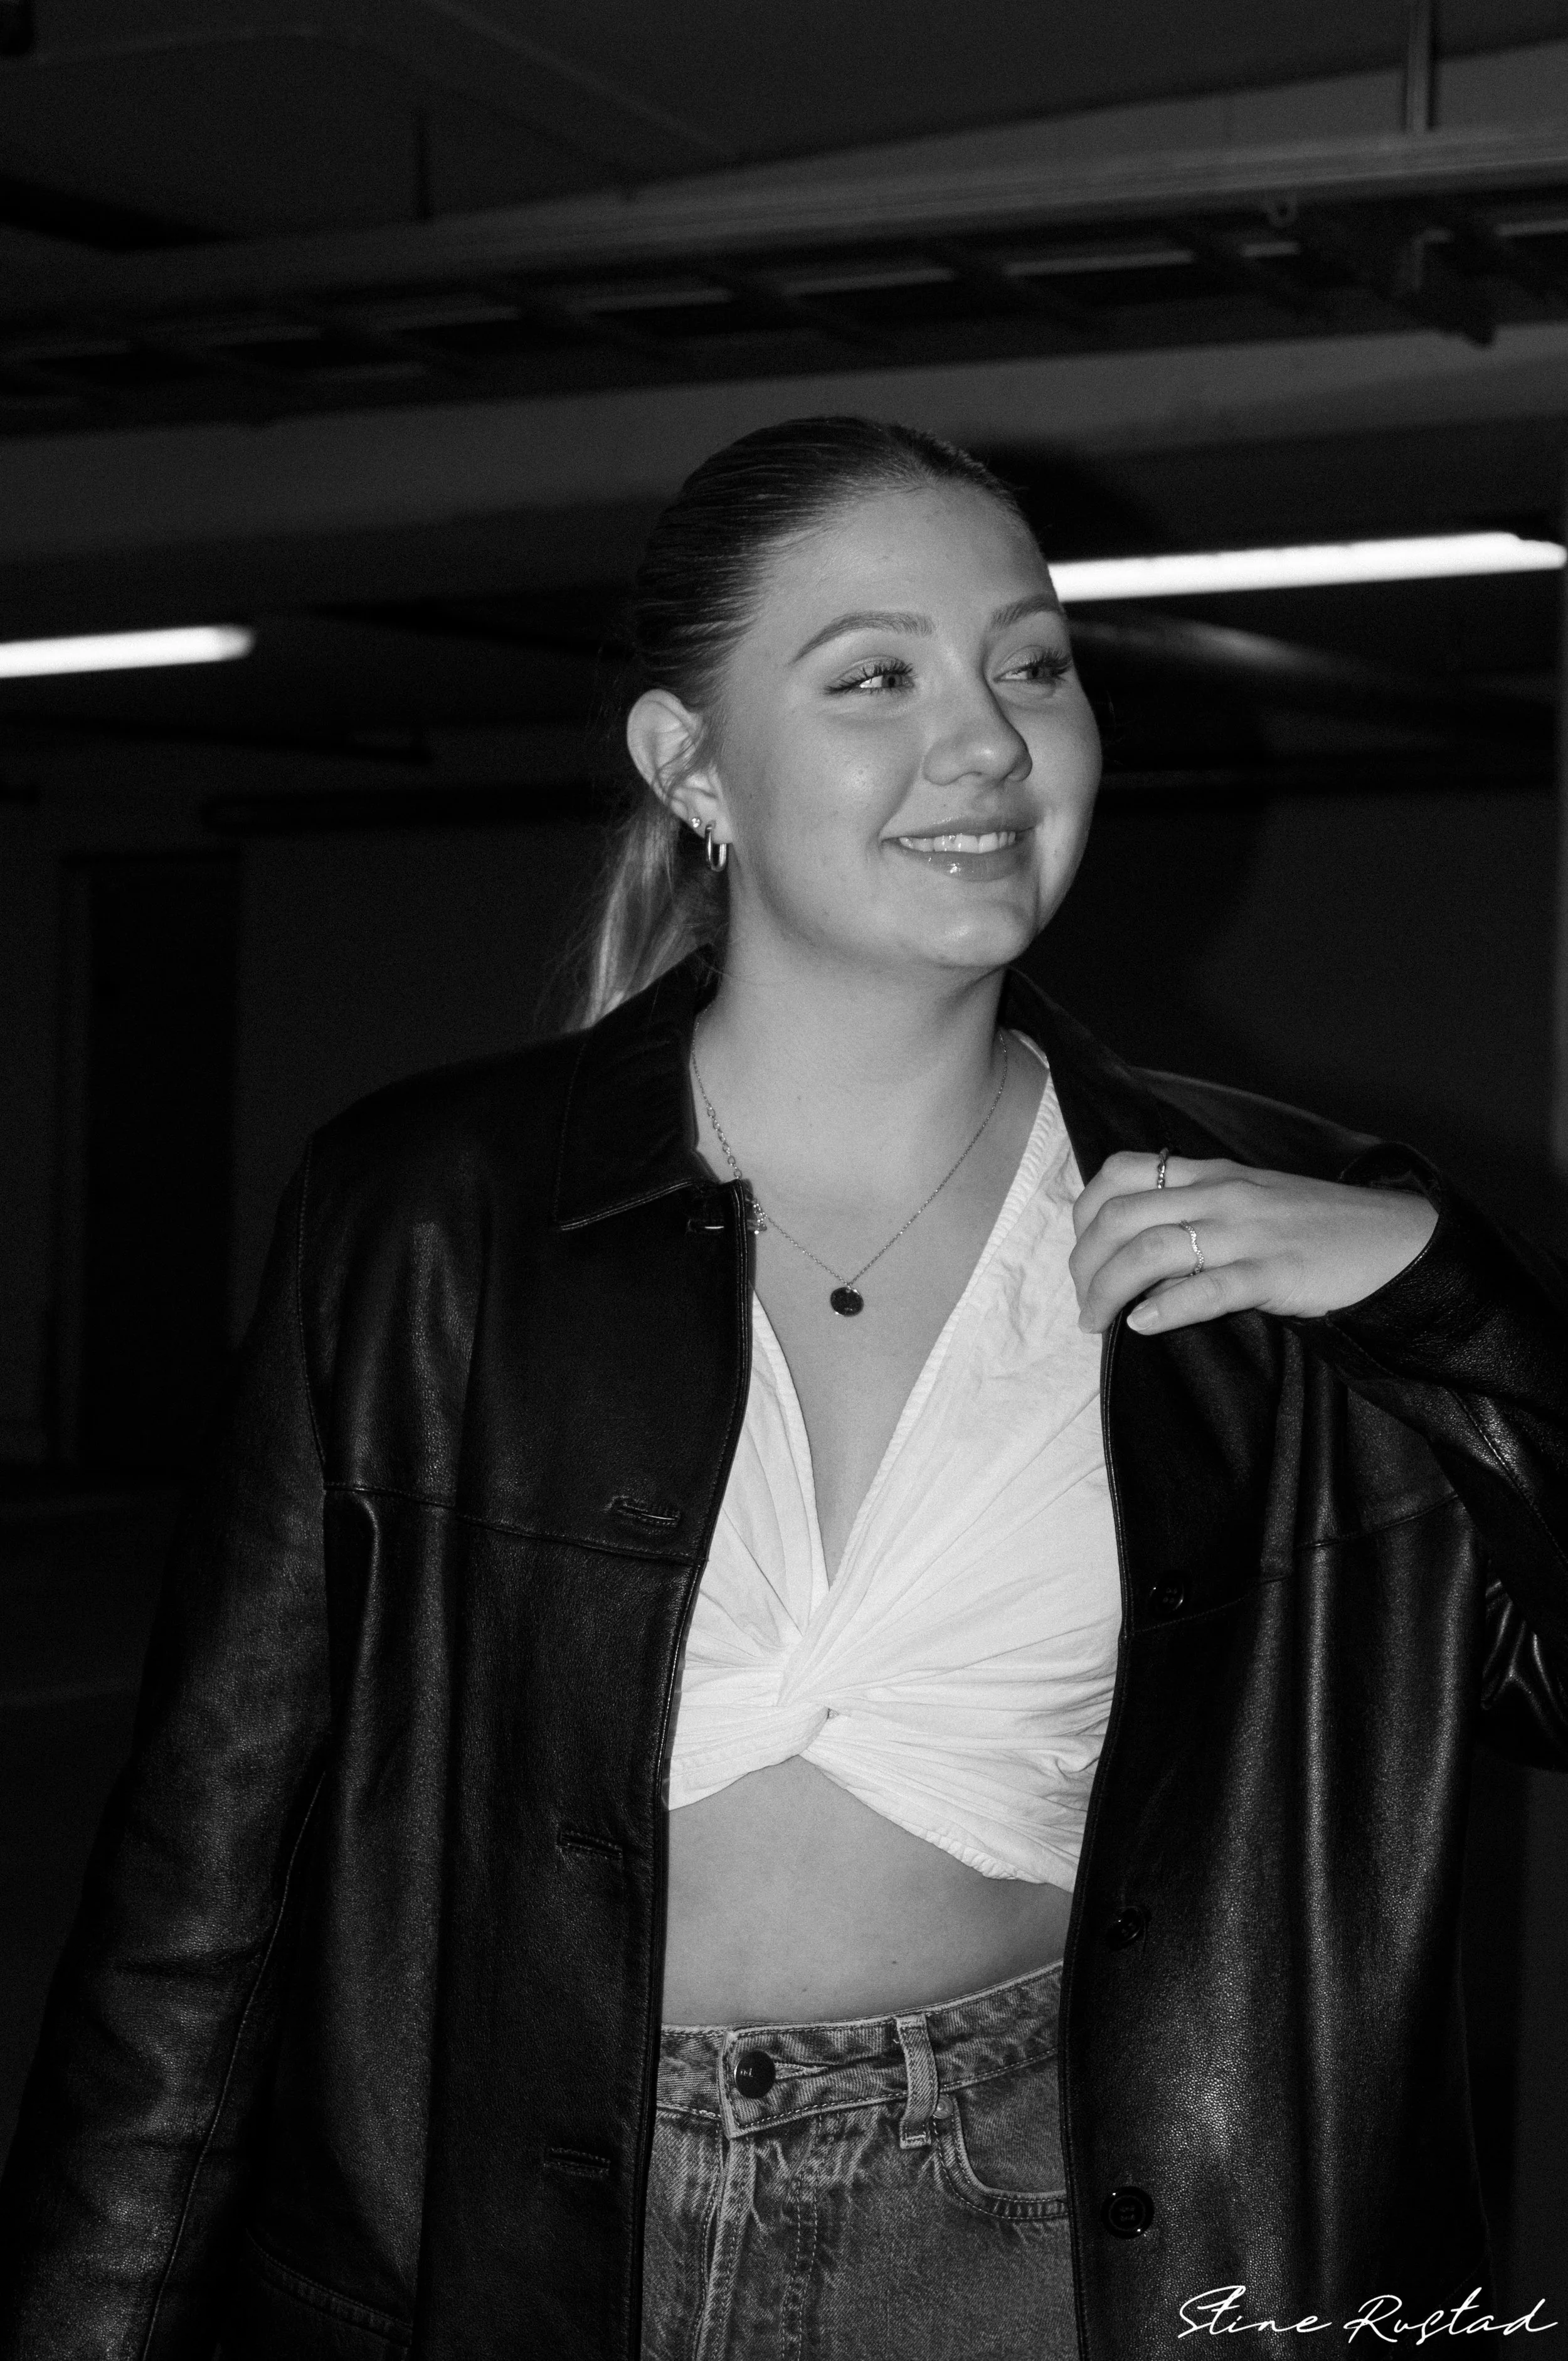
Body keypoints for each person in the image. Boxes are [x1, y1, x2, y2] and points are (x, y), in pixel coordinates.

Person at [0, 415, 1564, 2361]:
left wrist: (1445, 1299)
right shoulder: (434, 1217)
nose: (987, 740)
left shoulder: (1271, 1239)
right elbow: (200, 1888)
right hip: (503, 2253)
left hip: (1060, 2239)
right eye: (874, 676)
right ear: (689, 765)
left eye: (1031, 664)